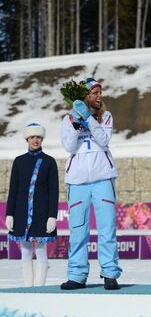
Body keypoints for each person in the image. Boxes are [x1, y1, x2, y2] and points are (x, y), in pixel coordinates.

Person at [60, 77, 121, 290]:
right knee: (78, 231)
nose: (99, 96)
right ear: (85, 96)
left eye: (100, 92)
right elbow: (68, 146)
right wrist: (77, 122)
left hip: (103, 178)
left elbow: (104, 141)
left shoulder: (106, 116)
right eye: (94, 93)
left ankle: (110, 273)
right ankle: (77, 275)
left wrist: (89, 119)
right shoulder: (68, 118)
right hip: (77, 182)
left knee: (107, 228)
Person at [5, 123, 58, 287]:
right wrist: (9, 213)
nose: (35, 140)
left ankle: (41, 288)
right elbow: (13, 189)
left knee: (41, 251)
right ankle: (28, 287)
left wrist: (52, 216)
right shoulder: (19, 161)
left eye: (38, 137)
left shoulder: (49, 162)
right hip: (21, 213)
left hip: (41, 214)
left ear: (42, 139)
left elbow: (54, 191)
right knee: (26, 251)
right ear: (27, 139)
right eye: (32, 137)